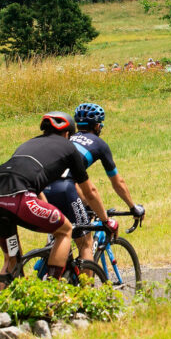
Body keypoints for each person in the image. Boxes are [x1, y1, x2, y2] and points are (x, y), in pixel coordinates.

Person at [0, 112, 117, 281]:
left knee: (12, 259)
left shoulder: (28, 144)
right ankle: (51, 288)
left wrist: (50, 211)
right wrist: (106, 221)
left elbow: (34, 185)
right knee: (65, 230)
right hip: (21, 199)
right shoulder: (69, 148)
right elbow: (89, 191)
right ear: (68, 134)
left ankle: (1, 303)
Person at [43, 103, 145, 264]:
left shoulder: (66, 138)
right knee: (85, 243)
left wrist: (88, 205)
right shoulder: (99, 144)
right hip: (65, 189)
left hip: (43, 188)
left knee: (60, 236)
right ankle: (87, 288)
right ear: (98, 126)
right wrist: (133, 207)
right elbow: (117, 182)